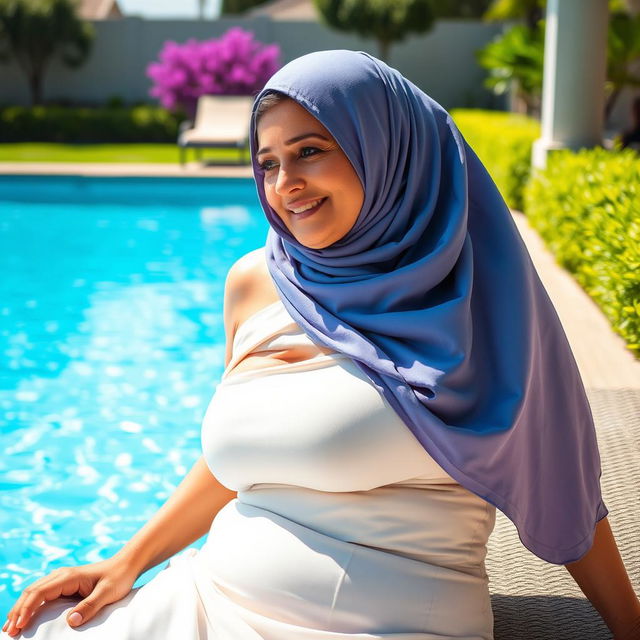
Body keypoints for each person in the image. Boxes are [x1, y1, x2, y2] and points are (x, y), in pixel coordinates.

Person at [3, 50, 640, 640]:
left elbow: (565, 486)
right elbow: (238, 462)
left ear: (388, 148)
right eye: (268, 162)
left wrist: (628, 623)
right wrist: (127, 562)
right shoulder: (257, 281)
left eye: (310, 151)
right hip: (207, 600)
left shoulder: (481, 300)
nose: (285, 185)